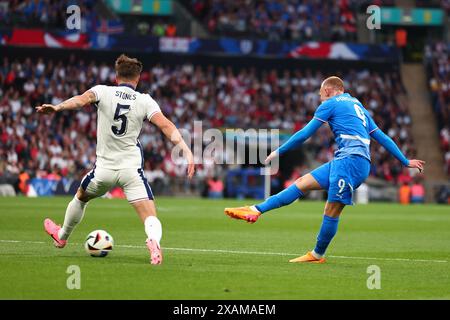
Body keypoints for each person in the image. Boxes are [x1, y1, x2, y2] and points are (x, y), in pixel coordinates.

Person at [224, 76, 425, 263]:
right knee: (301, 183)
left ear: (328, 91)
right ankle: (255, 210)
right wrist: (404, 160)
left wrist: (278, 151)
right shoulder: (359, 107)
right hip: (348, 161)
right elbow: (381, 136)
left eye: (320, 95)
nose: (320, 99)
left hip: (350, 162)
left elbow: (304, 134)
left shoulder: (330, 104)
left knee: (332, 209)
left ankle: (318, 254)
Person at [36, 54, 195, 265]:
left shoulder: (102, 91)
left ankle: (62, 236)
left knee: (81, 197)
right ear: (138, 79)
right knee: (150, 215)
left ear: (116, 76)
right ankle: (154, 243)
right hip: (131, 171)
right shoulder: (144, 100)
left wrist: (58, 107)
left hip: (103, 170)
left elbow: (80, 101)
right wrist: (185, 149)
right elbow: (165, 125)